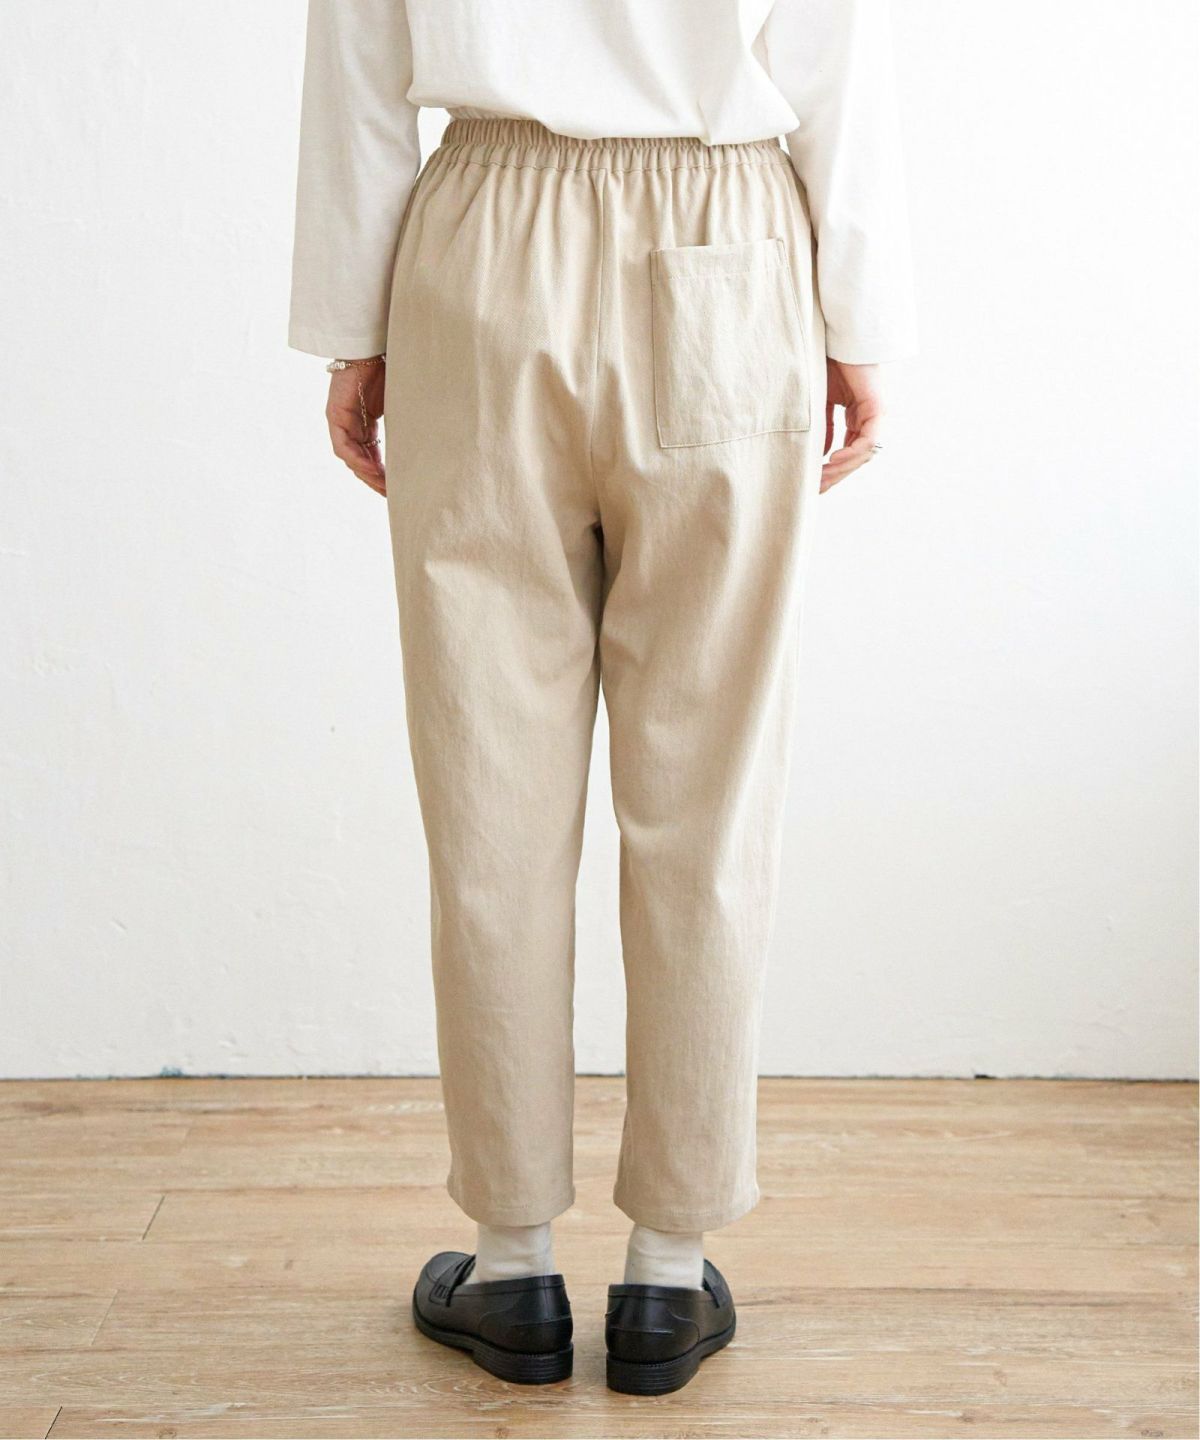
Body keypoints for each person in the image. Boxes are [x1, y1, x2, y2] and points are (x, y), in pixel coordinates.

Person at [289, 0, 916, 1396]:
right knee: (709, 794)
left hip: (483, 249)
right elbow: (838, 61)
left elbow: (358, 72)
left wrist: (349, 325)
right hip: (725, 241)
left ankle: (512, 1264)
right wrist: (861, 321)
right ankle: (667, 1274)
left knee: (489, 791)